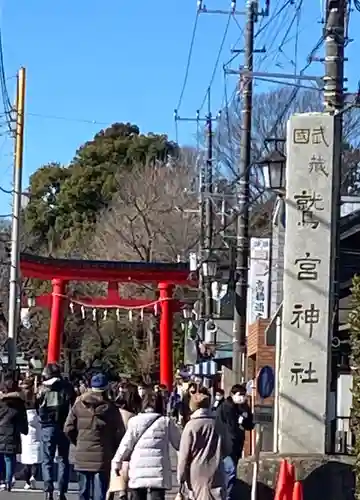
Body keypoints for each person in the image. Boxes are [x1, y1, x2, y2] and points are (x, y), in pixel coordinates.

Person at [64, 373, 125, 500]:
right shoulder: (110, 408)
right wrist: (113, 448)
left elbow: (68, 428)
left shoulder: (79, 405)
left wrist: (78, 441)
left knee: (83, 491)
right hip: (103, 454)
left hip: (82, 453)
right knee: (100, 492)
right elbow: (119, 432)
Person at [112, 392, 181, 500]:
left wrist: (117, 462)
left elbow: (126, 445)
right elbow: (179, 444)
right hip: (159, 470)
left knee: (137, 496)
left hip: (138, 469)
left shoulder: (134, 421)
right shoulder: (165, 422)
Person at [37, 363, 76, 500]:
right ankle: (62, 491)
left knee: (47, 459)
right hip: (64, 425)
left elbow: (36, 405)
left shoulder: (43, 389)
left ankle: (48, 489)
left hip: (47, 426)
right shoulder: (67, 387)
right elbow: (74, 406)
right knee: (63, 459)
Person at [178, 392, 225, 500]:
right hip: (216, 469)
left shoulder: (191, 426)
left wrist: (181, 477)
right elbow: (226, 448)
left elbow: (184, 455)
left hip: (196, 471)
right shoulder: (217, 424)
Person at [215, 384, 254, 500]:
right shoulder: (226, 407)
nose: (242, 397)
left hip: (236, 446)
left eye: (244, 395)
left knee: (229, 472)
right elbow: (229, 429)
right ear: (232, 395)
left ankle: (226, 495)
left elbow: (249, 425)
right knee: (230, 471)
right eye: (239, 395)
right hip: (226, 446)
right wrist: (239, 423)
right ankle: (226, 497)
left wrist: (246, 418)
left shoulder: (243, 407)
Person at [0, 378, 28, 491]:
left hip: (1, 430)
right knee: (10, 458)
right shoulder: (19, 402)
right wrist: (24, 430)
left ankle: (2, 479)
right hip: (13, 432)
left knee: (2, 456)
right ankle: (8, 481)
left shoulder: (1, 401)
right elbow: (23, 418)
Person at [107, 392, 135, 500]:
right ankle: (123, 491)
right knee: (125, 467)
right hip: (127, 444)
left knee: (113, 467)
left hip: (113, 442)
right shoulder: (132, 416)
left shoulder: (113, 413)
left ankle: (110, 492)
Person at [20, 378, 42, 490]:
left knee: (26, 459)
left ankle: (27, 482)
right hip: (36, 430)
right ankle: (34, 476)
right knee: (36, 457)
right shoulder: (36, 400)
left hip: (25, 431)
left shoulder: (20, 400)